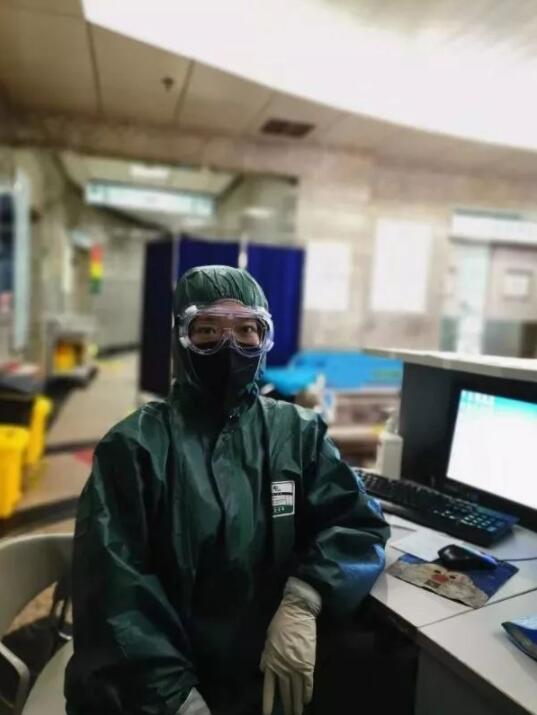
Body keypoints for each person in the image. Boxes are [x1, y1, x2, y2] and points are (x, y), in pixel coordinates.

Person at [65, 265, 389, 715]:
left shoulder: (297, 434)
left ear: (265, 338)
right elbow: (115, 595)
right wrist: (174, 698)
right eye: (208, 331)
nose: (229, 346)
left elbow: (355, 521)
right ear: (180, 338)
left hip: (261, 675)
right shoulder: (134, 447)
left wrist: (304, 599)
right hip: (151, 692)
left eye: (246, 330)